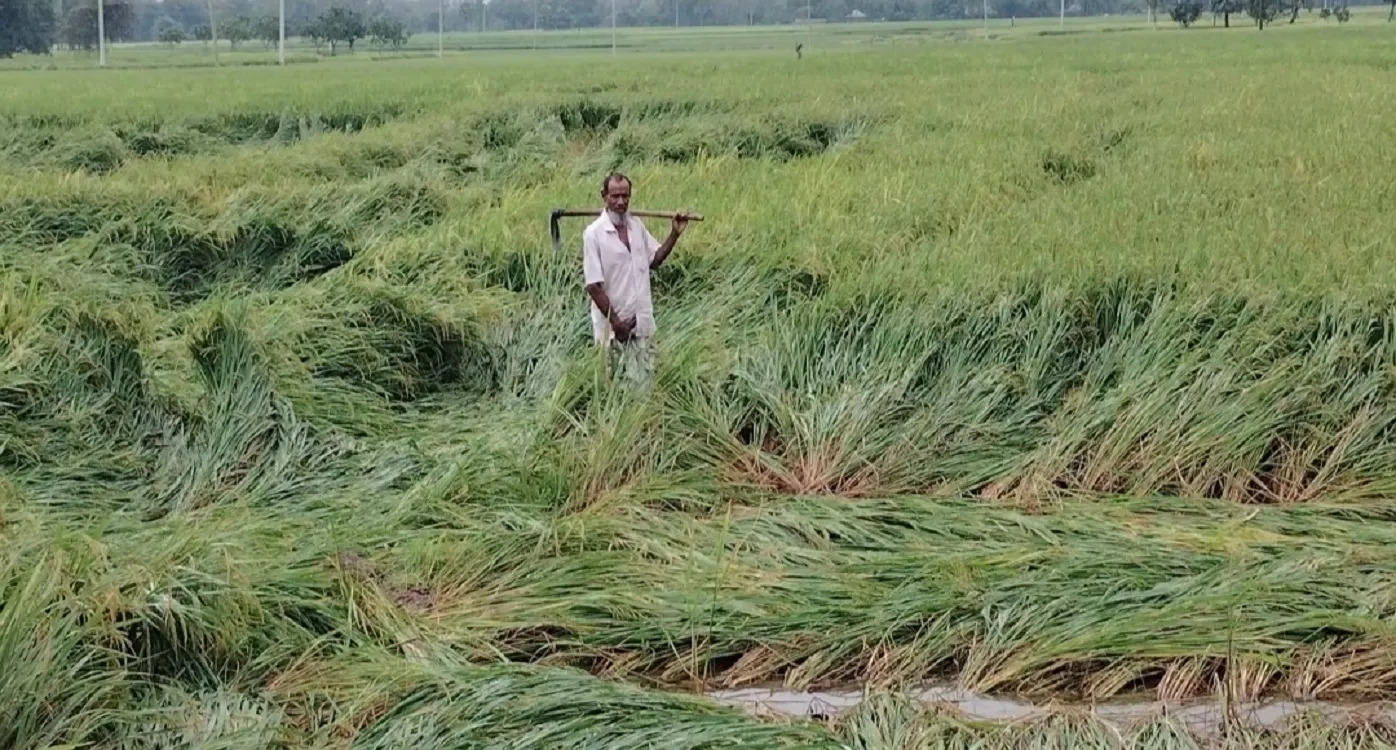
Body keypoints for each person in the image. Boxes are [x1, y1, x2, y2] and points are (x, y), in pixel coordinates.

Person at [581, 172, 690, 389]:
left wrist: (674, 234)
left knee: (644, 386)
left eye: (625, 196)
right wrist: (616, 323)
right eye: (615, 196)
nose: (621, 202)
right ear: (604, 196)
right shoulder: (594, 234)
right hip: (612, 330)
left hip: (641, 323)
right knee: (616, 387)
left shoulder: (636, 226)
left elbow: (654, 260)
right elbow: (593, 286)